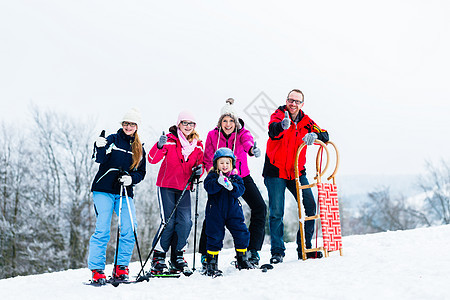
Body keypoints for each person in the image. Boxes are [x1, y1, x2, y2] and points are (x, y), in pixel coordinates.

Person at [263, 89, 329, 264]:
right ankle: (277, 252)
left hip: (297, 172)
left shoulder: (307, 122)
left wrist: (315, 135)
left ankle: (304, 248)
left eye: (297, 101)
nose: (293, 104)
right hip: (276, 171)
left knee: (310, 206)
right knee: (277, 212)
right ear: (286, 100)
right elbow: (272, 131)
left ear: (302, 104)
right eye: (291, 100)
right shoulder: (278, 115)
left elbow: (325, 135)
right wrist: (282, 126)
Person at [199, 98, 266, 267]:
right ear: (220, 122)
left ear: (236, 122)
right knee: (213, 212)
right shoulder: (212, 135)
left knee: (260, 207)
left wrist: (252, 149)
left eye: (231, 121)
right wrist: (212, 175)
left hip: (240, 176)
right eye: (224, 120)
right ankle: (206, 254)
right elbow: (207, 158)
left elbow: (248, 143)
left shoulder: (242, 133)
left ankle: (252, 250)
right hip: (218, 177)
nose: (228, 124)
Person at [88, 108, 147, 284]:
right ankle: (97, 270)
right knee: (103, 228)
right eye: (126, 123)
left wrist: (131, 179)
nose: (128, 127)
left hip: (124, 192)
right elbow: (99, 159)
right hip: (103, 189)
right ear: (122, 125)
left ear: (137, 127)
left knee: (129, 227)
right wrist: (98, 146)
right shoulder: (112, 139)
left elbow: (141, 173)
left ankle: (121, 267)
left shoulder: (139, 148)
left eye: (132, 124)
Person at [147, 110, 204, 275]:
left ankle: (178, 256)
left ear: (194, 126)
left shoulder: (198, 144)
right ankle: (158, 257)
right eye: (184, 123)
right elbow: (152, 159)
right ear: (179, 124)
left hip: (184, 188)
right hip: (166, 186)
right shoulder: (170, 140)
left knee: (186, 222)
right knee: (168, 222)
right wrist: (158, 145)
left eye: (191, 124)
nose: (188, 126)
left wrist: (200, 171)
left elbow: (200, 166)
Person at [203, 147, 254, 277]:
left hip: (233, 211)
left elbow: (240, 190)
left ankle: (242, 259)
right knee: (214, 235)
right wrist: (218, 182)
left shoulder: (236, 177)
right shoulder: (212, 176)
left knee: (241, 233)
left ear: (232, 164)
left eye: (227, 163)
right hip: (215, 212)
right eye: (221, 163)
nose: (224, 166)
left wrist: (232, 186)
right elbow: (208, 188)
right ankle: (212, 263)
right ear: (216, 164)